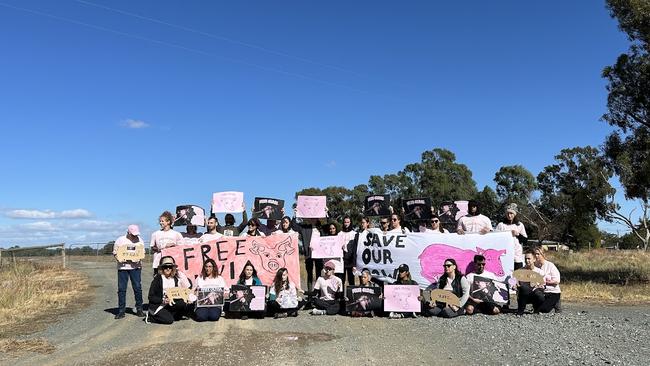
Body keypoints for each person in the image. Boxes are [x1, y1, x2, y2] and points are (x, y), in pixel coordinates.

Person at [112, 224, 145, 319]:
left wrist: (138, 258)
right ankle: (121, 311)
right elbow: (115, 252)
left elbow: (142, 253)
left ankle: (139, 309)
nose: (135, 236)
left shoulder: (140, 240)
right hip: (123, 268)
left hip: (136, 267)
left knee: (137, 288)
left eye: (136, 234)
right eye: (133, 234)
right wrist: (119, 258)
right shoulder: (120, 240)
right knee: (122, 289)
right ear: (128, 232)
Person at [147, 256, 191, 324]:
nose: (168, 269)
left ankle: (170, 315)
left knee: (182, 303)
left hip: (170, 304)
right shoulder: (157, 279)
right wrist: (162, 300)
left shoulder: (175, 279)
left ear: (172, 268)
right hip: (159, 305)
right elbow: (151, 296)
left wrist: (186, 297)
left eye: (170, 267)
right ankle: (151, 317)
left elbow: (180, 291)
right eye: (165, 267)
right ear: (162, 268)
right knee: (169, 320)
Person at [291, 212, 324, 292]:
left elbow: (331, 225)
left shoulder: (322, 229)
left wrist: (327, 213)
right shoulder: (305, 228)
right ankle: (310, 294)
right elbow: (294, 226)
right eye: (311, 218)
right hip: (309, 254)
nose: (313, 219)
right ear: (309, 219)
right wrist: (295, 215)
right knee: (309, 274)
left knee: (319, 274)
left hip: (319, 254)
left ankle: (318, 293)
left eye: (315, 218)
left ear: (317, 219)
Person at [495, 203, 527, 270]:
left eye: (511, 213)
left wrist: (518, 234)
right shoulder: (501, 225)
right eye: (508, 213)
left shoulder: (519, 225)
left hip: (516, 256)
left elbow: (525, 240)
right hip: (504, 255)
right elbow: (495, 238)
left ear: (515, 214)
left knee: (517, 276)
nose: (509, 215)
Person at [514, 250, 545, 315]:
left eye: (529, 259)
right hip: (523, 295)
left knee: (540, 295)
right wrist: (514, 285)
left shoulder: (540, 272)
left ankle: (536, 309)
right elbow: (513, 281)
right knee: (524, 288)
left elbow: (543, 284)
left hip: (535, 294)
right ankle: (520, 310)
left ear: (534, 259)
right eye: (525, 259)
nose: (527, 260)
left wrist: (539, 285)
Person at [533, 247, 562, 313]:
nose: (536, 256)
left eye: (538, 254)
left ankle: (555, 302)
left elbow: (557, 281)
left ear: (543, 254)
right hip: (540, 292)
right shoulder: (534, 266)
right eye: (534, 254)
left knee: (544, 310)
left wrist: (544, 283)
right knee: (537, 311)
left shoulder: (550, 265)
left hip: (552, 292)